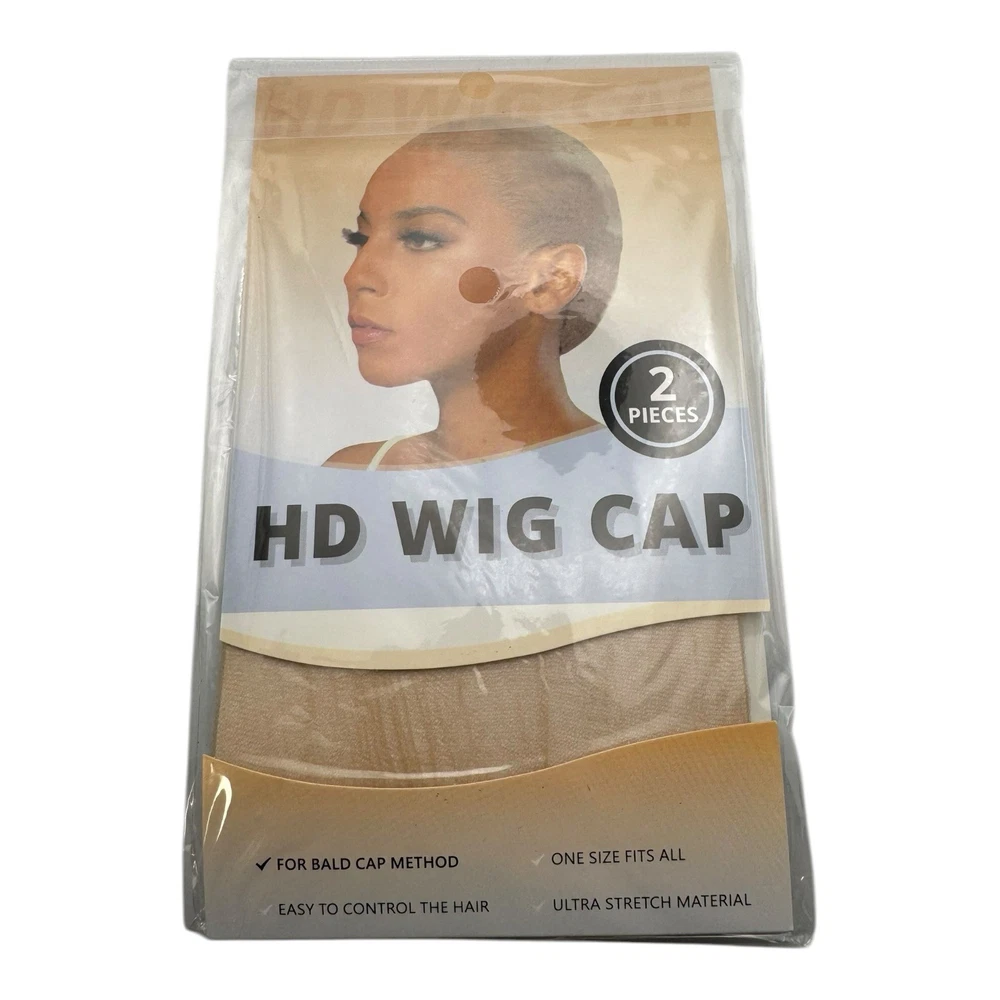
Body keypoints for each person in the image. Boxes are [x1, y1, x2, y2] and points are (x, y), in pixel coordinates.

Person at [324, 119, 623, 469]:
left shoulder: (648, 478)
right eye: (360, 239)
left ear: (551, 280)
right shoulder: (353, 475)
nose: (355, 276)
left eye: (421, 239)